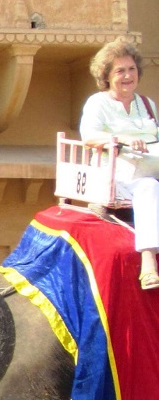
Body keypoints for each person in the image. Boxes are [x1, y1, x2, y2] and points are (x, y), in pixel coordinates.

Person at [79, 36, 159, 289]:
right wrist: (121, 139)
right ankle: (148, 260)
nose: (128, 76)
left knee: (149, 181)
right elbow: (89, 136)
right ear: (107, 76)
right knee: (148, 186)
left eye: (132, 69)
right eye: (120, 70)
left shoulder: (147, 104)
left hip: (150, 165)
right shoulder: (98, 103)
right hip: (116, 174)